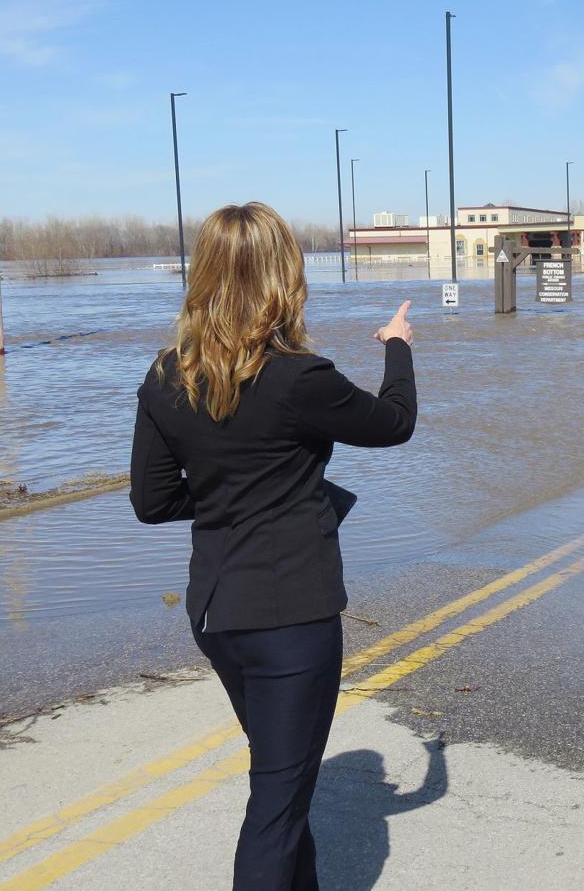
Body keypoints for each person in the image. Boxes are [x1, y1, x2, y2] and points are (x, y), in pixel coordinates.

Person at [129, 202, 416, 890]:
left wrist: (234, 494)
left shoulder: (168, 374)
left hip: (217, 616)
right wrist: (398, 344)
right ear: (284, 276)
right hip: (290, 620)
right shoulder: (300, 377)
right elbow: (395, 423)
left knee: (284, 792)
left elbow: (153, 501)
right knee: (276, 808)